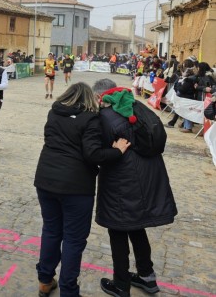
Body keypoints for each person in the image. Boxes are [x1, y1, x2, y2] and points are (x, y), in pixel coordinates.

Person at [34, 82, 130, 297]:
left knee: (51, 231)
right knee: (73, 239)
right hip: (76, 187)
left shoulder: (54, 113)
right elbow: (93, 154)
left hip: (46, 180)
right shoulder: (90, 118)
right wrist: (117, 151)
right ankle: (68, 290)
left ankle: (45, 280)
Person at [92, 79, 178, 297]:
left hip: (123, 182)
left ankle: (121, 285)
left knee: (118, 228)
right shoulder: (135, 106)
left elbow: (98, 152)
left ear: (100, 96)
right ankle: (147, 277)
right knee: (136, 226)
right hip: (147, 176)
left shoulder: (105, 116)